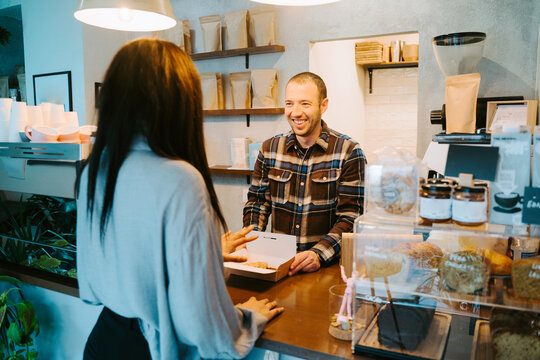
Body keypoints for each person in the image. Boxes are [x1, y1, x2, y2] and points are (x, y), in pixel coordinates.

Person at [76, 38, 283, 360]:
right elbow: (201, 326)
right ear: (180, 104)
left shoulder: (96, 169)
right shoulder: (180, 178)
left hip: (104, 341)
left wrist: (210, 250)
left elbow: (107, 271)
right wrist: (247, 317)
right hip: (152, 350)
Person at [243, 72, 366, 276]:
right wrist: (250, 241)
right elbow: (257, 203)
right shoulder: (269, 149)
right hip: (279, 266)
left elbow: (352, 215)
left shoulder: (349, 152)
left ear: (323, 105)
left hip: (325, 269)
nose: (295, 112)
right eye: (289, 103)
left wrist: (318, 254)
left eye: (305, 104)